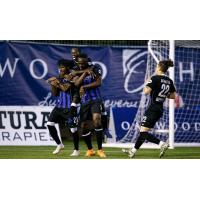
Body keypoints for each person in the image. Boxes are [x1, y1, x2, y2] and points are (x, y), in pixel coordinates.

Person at [123, 59, 176, 158]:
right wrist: (163, 94)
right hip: (160, 109)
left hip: (153, 108)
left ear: (159, 67)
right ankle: (133, 151)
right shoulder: (169, 81)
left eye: (157, 66)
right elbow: (173, 96)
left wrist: (147, 82)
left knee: (143, 132)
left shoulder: (155, 78)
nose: (156, 68)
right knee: (144, 131)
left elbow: (146, 91)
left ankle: (161, 144)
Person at [74, 53, 106, 158]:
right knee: (84, 127)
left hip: (95, 99)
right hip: (84, 102)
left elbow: (98, 82)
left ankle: (100, 150)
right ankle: (90, 150)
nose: (81, 65)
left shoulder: (96, 68)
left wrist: (85, 87)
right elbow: (77, 83)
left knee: (97, 120)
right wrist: (85, 73)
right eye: (79, 63)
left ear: (87, 61)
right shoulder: (75, 70)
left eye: (83, 63)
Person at [46, 59, 80, 156]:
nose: (60, 69)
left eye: (62, 67)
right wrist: (53, 84)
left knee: (73, 129)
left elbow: (65, 88)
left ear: (68, 68)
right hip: (59, 107)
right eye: (59, 67)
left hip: (69, 107)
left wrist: (57, 81)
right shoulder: (59, 78)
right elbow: (55, 94)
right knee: (49, 123)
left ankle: (76, 150)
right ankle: (59, 144)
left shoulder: (72, 78)